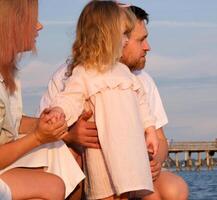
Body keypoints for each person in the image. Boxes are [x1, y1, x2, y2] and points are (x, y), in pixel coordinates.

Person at [39, 4, 189, 200]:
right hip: (97, 157)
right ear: (106, 38)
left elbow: (143, 105)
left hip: (128, 154)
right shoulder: (79, 73)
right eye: (138, 39)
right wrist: (66, 127)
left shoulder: (131, 75)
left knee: (147, 191)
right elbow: (69, 100)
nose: (148, 47)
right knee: (106, 192)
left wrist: (151, 132)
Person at [0, 0, 85, 199]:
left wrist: (45, 125)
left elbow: (11, 122)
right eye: (32, 19)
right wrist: (38, 136)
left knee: (63, 152)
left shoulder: (7, 70)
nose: (39, 25)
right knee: (52, 186)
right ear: (11, 23)